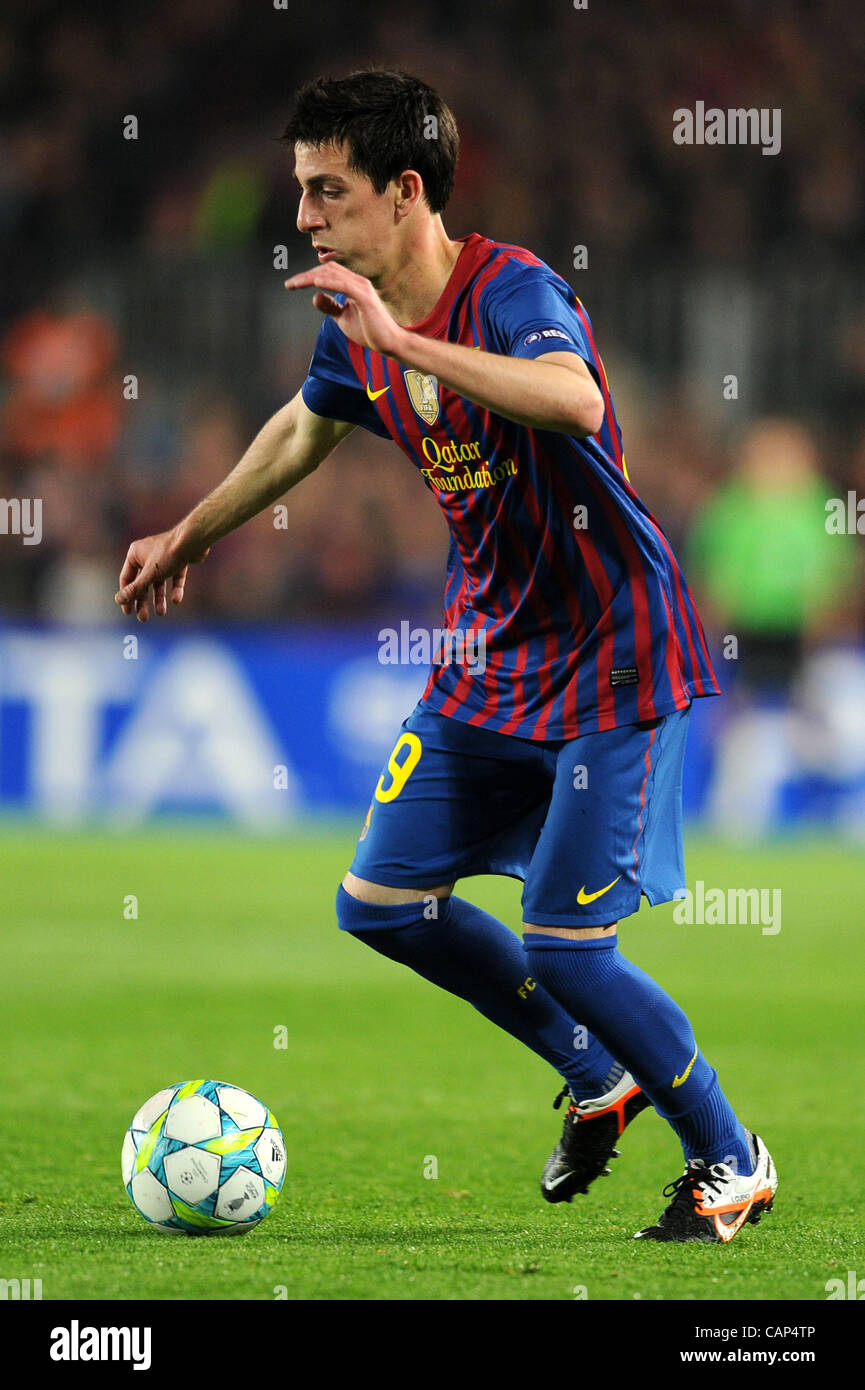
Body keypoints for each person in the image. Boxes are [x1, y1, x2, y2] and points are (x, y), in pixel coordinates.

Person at [116, 68, 776, 1243]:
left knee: (567, 947)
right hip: (490, 655)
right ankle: (595, 1072)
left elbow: (570, 400)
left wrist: (404, 340)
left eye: (327, 193)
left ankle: (730, 1155)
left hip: (611, 653)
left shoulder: (510, 289)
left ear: (403, 190)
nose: (304, 219)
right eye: (302, 193)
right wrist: (187, 534)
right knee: (379, 903)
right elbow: (303, 427)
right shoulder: (356, 324)